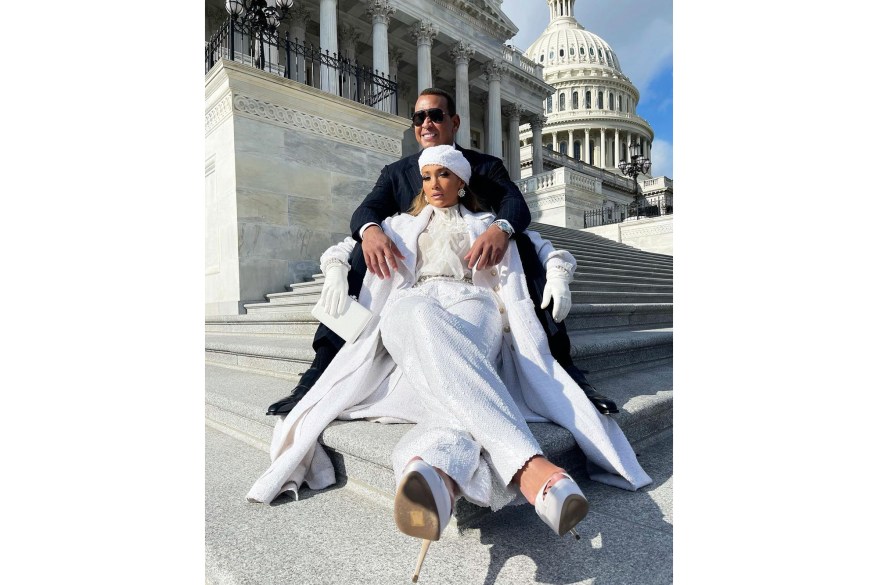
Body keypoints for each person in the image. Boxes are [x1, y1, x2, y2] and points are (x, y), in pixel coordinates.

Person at [248, 146, 652, 581]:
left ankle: (438, 474)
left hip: (472, 303)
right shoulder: (398, 225)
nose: (434, 184)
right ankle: (530, 469)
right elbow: (343, 248)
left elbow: (545, 247)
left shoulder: (487, 223)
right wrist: (333, 273)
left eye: (444, 175)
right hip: (412, 303)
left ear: (462, 181)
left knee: (452, 368)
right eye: (426, 176)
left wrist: (558, 274)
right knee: (421, 318)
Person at [265, 87, 620, 418]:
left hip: (473, 279)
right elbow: (366, 210)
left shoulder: (485, 167)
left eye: (435, 115)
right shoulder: (396, 172)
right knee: (364, 245)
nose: (426, 124)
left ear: (454, 122)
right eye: (419, 118)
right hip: (408, 280)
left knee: (522, 243)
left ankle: (566, 369)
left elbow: (516, 206)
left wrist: (500, 227)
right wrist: (371, 231)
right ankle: (319, 368)